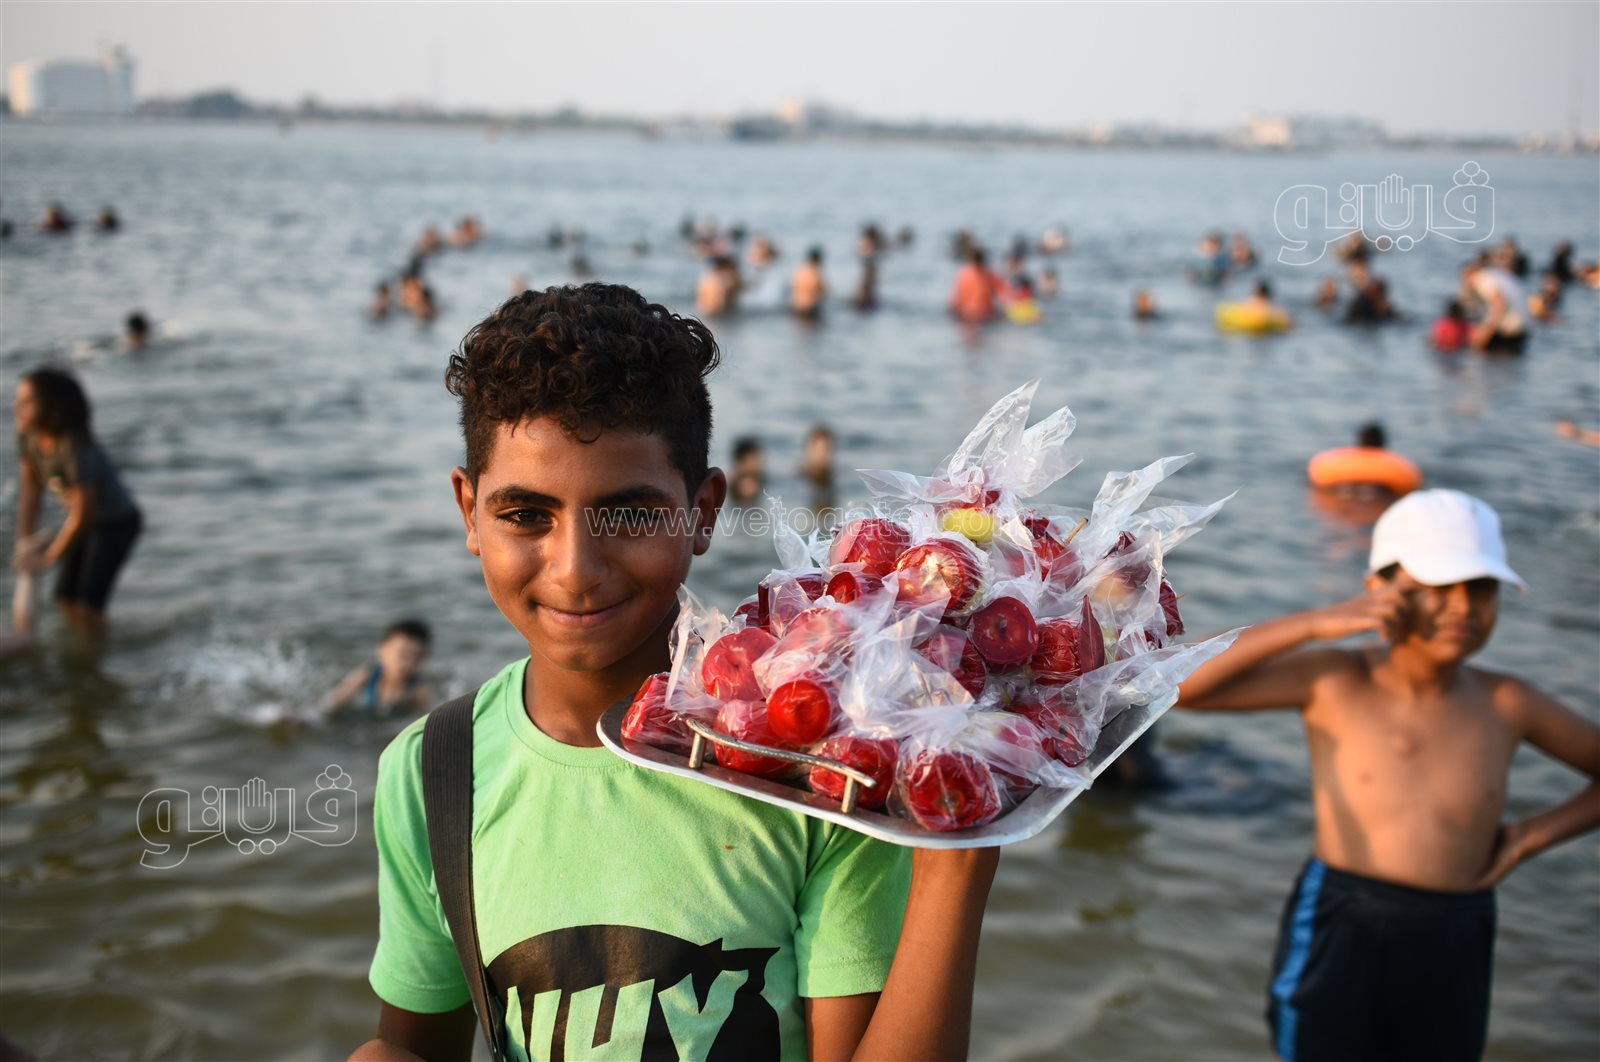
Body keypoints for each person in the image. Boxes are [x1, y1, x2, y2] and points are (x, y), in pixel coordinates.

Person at [349, 283, 999, 1062]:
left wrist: (960, 849)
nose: (576, 570)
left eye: (628, 514)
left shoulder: (811, 759)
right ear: (468, 510)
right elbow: (417, 1045)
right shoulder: (434, 771)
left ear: (704, 512)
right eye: (526, 515)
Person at [1177, 489, 1600, 1062]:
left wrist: (1528, 838)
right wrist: (1314, 623)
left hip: (1458, 927)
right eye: (1437, 586)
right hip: (1343, 917)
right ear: (1379, 589)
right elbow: (1180, 687)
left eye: (1481, 588)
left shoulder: (1508, 701)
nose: (1462, 607)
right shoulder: (1336, 679)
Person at [12, 368, 143, 640]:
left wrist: (49, 558)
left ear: (53, 407)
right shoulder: (29, 438)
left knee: (87, 606)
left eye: (27, 401)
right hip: (84, 522)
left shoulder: (75, 447)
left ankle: (94, 656)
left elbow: (84, 513)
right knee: (64, 599)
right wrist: (24, 541)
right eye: (18, 400)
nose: (16, 408)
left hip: (116, 523)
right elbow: (31, 492)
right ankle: (86, 650)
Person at [317, 619, 435, 717]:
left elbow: (428, 715)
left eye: (417, 657)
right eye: (402, 655)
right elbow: (333, 701)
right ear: (381, 650)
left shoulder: (417, 690)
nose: (408, 663)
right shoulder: (367, 675)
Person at [1463, 249, 1529, 354]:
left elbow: (1500, 306)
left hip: (1508, 334)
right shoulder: (1497, 274)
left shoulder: (1482, 279)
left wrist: (1485, 335)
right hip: (1522, 331)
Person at [949, 247, 1004, 323]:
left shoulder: (964, 275)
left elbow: (955, 301)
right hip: (986, 313)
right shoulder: (990, 275)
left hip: (968, 314)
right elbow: (1005, 294)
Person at [727, 436, 766, 505]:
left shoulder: (760, 476)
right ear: (740, 461)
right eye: (754, 459)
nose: (758, 463)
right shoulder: (745, 484)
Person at [790, 245, 827, 319]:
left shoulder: (799, 272)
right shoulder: (816, 274)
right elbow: (824, 292)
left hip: (795, 306)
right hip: (810, 308)